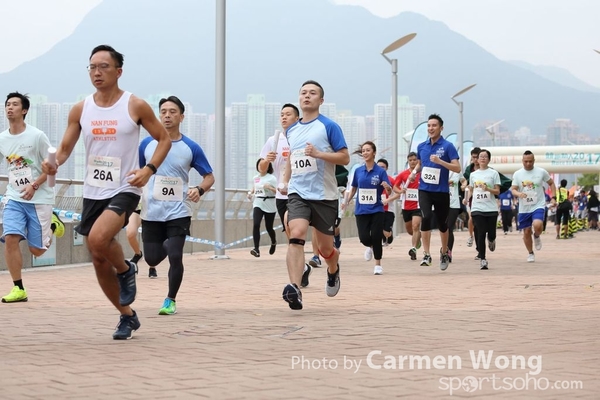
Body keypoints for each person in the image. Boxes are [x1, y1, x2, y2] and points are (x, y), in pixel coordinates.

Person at [42, 45, 171, 339]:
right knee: (98, 257)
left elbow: (163, 139)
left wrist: (149, 169)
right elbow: (64, 149)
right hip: (93, 190)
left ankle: (125, 270)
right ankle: (127, 316)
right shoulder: (81, 109)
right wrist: (51, 165)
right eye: (92, 67)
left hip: (125, 187)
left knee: (98, 239)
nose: (97, 72)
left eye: (103, 66)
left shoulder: (134, 105)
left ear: (118, 71)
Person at [139, 95, 214, 315]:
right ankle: (166, 244)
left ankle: (170, 300)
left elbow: (209, 177)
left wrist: (199, 189)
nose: (167, 115)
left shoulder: (190, 147)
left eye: (172, 112)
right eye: (163, 112)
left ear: (181, 117)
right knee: (151, 258)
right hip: (151, 211)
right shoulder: (146, 144)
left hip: (179, 210)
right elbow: (138, 173)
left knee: (175, 255)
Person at [280, 80, 349, 310]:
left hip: (324, 196)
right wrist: (285, 181)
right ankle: (294, 288)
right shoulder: (291, 130)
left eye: (312, 93)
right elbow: (292, 158)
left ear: (321, 100)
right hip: (298, 193)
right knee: (296, 233)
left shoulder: (329, 126)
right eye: (303, 93)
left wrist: (319, 154)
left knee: (325, 250)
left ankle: (333, 269)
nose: (307, 96)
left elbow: (344, 157)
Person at [0, 92, 65, 303]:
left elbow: (53, 165)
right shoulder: (2, 139)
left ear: (24, 110)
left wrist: (35, 184)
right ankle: (18, 288)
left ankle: (53, 224)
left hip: (39, 198)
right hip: (14, 197)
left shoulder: (37, 136)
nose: (9, 108)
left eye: (14, 104)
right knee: (10, 238)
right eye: (7, 104)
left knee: (37, 250)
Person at [258, 103, 312, 287]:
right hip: (282, 195)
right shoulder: (274, 140)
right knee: (291, 236)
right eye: (282, 114)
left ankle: (299, 272)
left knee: (295, 232)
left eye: (288, 114)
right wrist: (267, 160)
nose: (284, 117)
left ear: (297, 118)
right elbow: (261, 168)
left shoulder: (303, 137)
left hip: (301, 193)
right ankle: (302, 267)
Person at [409, 114, 460, 271]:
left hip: (441, 191)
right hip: (424, 189)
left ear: (441, 128)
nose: (431, 128)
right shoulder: (421, 146)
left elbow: (457, 168)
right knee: (426, 218)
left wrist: (440, 162)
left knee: (442, 224)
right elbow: (420, 164)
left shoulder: (448, 146)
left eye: (434, 125)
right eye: (429, 125)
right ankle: (426, 254)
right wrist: (414, 173)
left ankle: (444, 252)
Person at [343, 142, 392, 275]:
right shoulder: (358, 171)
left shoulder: (380, 171)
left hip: (377, 209)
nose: (365, 153)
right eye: (363, 151)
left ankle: (378, 264)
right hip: (361, 210)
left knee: (376, 236)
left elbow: (389, 190)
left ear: (374, 152)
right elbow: (354, 188)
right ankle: (370, 246)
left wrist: (387, 187)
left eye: (368, 150)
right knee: (364, 238)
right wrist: (346, 201)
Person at [510, 150, 556, 262]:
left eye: (530, 161)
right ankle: (530, 253)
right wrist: (519, 194)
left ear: (534, 160)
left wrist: (554, 197)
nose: (528, 163)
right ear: (522, 161)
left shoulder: (541, 172)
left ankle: (536, 235)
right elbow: (513, 189)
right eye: (526, 161)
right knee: (526, 231)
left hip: (538, 204)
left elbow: (551, 183)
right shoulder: (517, 174)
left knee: (537, 224)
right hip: (524, 207)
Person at [463, 149, 500, 270]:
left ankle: (492, 239)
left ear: (489, 159)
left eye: (485, 156)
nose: (483, 158)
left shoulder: (494, 173)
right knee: (481, 232)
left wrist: (488, 189)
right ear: (477, 160)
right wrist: (466, 198)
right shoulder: (473, 175)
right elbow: (471, 189)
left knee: (491, 233)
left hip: (491, 208)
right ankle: (483, 259)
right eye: (481, 156)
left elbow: (497, 191)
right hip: (477, 207)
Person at [394, 152, 423, 261]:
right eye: (410, 160)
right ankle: (419, 237)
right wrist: (400, 191)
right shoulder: (403, 174)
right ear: (408, 161)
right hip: (406, 206)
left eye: (415, 160)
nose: (412, 162)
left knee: (416, 226)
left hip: (418, 205)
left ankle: (413, 249)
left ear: (418, 161)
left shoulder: (422, 174)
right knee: (410, 230)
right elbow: (395, 186)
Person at [249, 158, 277, 257]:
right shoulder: (255, 178)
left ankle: (273, 241)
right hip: (258, 202)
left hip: (269, 203)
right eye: (259, 165)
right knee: (256, 224)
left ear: (268, 167)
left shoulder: (272, 178)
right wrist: (250, 193)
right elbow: (255, 188)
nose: (261, 167)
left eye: (263, 165)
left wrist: (270, 187)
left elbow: (278, 191)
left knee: (269, 227)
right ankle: (256, 249)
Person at [376, 158, 399, 247]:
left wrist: (387, 200)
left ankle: (389, 234)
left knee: (386, 232)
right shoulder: (373, 179)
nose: (380, 169)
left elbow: (398, 194)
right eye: (378, 166)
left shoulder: (391, 180)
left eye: (383, 167)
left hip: (388, 210)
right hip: (376, 209)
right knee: (377, 228)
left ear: (386, 168)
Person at [462, 147, 481, 248]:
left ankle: (489, 237)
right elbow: (465, 181)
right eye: (474, 157)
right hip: (472, 196)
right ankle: (471, 236)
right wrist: (464, 186)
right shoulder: (469, 169)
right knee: (471, 217)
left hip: (484, 198)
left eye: (477, 157)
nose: (476, 160)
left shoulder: (487, 169)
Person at [446, 169, 464, 262]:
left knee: (449, 227)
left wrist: (464, 185)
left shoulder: (456, 170)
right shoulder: (439, 167)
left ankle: (448, 251)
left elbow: (463, 180)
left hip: (454, 203)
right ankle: (444, 248)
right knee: (443, 228)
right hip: (441, 202)